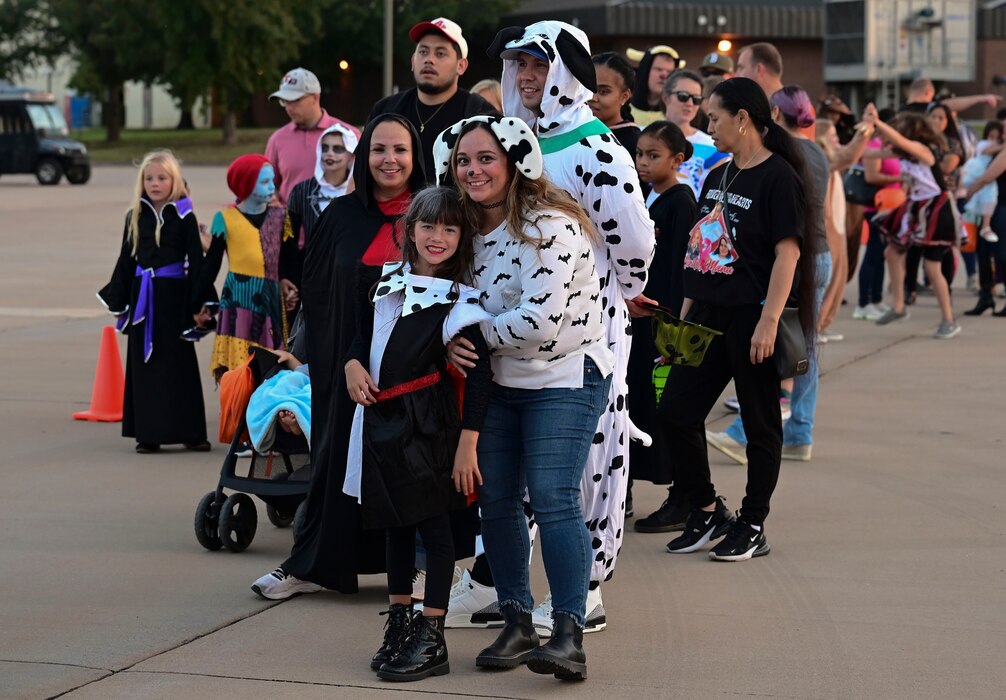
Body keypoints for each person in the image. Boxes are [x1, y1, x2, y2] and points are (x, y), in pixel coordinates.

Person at [480, 20, 655, 632]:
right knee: (511, 468)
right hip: (511, 327)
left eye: (538, 65)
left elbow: (634, 241)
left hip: (587, 327)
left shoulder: (596, 147)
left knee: (585, 459)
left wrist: (619, 295)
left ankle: (587, 588)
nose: (527, 77)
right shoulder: (509, 137)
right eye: (519, 66)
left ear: (565, 71)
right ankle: (508, 590)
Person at [436, 114, 614, 681]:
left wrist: (470, 335)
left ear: (517, 162)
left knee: (554, 495)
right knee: (498, 502)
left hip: (564, 375)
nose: (473, 170)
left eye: (486, 158)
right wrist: (446, 342)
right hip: (500, 384)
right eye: (464, 160)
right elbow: (441, 303)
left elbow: (540, 321)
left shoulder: (550, 227)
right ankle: (515, 620)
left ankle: (567, 633)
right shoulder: (462, 230)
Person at [250, 114, 433, 600]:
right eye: (378, 150)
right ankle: (312, 565)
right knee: (334, 462)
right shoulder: (340, 215)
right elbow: (317, 289)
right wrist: (327, 358)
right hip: (344, 368)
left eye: (399, 150)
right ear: (363, 156)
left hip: (414, 371)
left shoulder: (434, 213)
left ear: (416, 157)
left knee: (407, 468)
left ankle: (414, 571)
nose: (389, 160)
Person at [660, 77, 818, 561]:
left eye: (714, 117)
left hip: (752, 318)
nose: (709, 126)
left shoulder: (779, 178)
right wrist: (683, 315)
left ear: (743, 118)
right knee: (676, 412)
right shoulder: (717, 175)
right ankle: (708, 509)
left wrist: (769, 322)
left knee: (760, 423)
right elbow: (699, 250)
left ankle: (752, 523)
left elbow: (787, 256)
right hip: (707, 314)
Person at [343, 187, 493, 681]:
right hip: (381, 422)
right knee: (396, 525)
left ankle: (433, 636)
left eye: (450, 229)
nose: (438, 237)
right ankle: (401, 622)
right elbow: (360, 338)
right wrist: (351, 364)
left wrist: (468, 442)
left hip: (429, 428)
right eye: (428, 226)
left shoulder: (460, 303)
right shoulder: (386, 283)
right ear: (408, 230)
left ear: (462, 239)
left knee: (434, 527)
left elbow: (482, 377)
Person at [707, 86, 836, 465]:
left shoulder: (773, 161)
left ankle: (744, 432)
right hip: (820, 254)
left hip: (793, 260)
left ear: (770, 116)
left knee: (772, 346)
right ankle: (800, 433)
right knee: (800, 349)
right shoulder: (817, 154)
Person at [97, 150, 212, 454]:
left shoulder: (185, 215)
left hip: (174, 299)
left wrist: (201, 303)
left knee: (178, 364)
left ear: (174, 180)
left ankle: (191, 432)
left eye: (162, 177)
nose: (155, 183)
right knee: (144, 364)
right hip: (142, 299)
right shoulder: (134, 215)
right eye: (149, 178)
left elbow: (196, 262)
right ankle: (148, 434)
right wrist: (119, 300)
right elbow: (126, 258)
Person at [629, 121, 698, 532]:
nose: (643, 162)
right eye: (639, 153)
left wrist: (671, 326)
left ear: (678, 159)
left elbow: (678, 269)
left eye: (653, 155)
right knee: (645, 405)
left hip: (664, 325)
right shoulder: (652, 197)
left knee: (668, 409)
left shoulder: (680, 202)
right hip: (645, 319)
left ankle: (684, 496)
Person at [200, 155, 295, 380]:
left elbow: (289, 260)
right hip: (237, 298)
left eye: (273, 181)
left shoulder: (282, 216)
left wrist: (288, 282)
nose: (272, 187)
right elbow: (210, 266)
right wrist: (199, 301)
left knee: (272, 357)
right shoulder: (225, 218)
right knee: (238, 364)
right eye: (264, 182)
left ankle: (267, 405)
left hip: (270, 296)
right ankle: (237, 402)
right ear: (245, 184)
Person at [368, 18, 496, 184]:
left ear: (461, 66)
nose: (429, 59)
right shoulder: (386, 109)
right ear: (413, 60)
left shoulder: (478, 112)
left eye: (440, 53)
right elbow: (360, 169)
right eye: (423, 52)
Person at [871, 113, 961, 338]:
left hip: (938, 209)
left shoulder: (924, 151)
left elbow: (900, 142)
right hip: (917, 206)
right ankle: (899, 306)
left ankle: (949, 320)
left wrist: (877, 122)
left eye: (898, 129)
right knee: (892, 251)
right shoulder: (904, 155)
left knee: (932, 267)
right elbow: (868, 152)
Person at [265, 68, 359, 206]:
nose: (289, 108)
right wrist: (271, 200)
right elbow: (268, 184)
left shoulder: (350, 134)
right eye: (284, 101)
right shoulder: (277, 139)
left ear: (315, 97)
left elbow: (365, 181)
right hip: (291, 225)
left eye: (295, 100)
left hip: (338, 224)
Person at [285, 124, 359, 293]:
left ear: (351, 157)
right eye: (325, 148)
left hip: (349, 276)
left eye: (338, 148)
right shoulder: (302, 190)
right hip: (310, 273)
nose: (329, 153)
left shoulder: (361, 192)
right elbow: (289, 238)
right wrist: (288, 277)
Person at [855, 108, 901, 321]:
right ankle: (863, 303)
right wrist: (902, 179)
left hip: (891, 208)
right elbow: (872, 176)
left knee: (882, 254)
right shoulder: (873, 146)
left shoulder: (888, 147)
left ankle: (876, 298)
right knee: (873, 254)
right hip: (876, 208)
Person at [661, 68, 731, 198]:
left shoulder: (714, 146)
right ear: (665, 97)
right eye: (683, 96)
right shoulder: (643, 135)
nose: (689, 104)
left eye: (696, 99)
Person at [962, 121, 1003, 315]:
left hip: (1000, 209)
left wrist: (970, 190)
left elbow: (987, 177)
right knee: (984, 253)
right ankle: (985, 296)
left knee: (1000, 255)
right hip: (991, 208)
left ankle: (987, 295)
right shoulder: (993, 150)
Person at [588, 52, 641, 161]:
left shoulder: (637, 144)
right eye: (587, 89)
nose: (592, 98)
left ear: (624, 97)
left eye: (603, 91)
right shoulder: (571, 132)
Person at [626, 44, 685, 126]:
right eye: (658, 69)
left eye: (669, 72)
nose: (664, 75)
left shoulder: (681, 114)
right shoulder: (623, 109)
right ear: (645, 72)